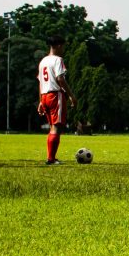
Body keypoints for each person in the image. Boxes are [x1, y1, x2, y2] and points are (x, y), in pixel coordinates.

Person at [38, 36, 76, 165]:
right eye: (63, 46)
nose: (63, 49)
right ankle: (51, 159)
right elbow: (60, 79)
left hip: (45, 95)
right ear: (59, 45)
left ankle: (51, 157)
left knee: (52, 127)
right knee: (56, 127)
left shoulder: (43, 61)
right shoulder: (58, 60)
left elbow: (40, 82)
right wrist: (71, 95)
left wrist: (40, 101)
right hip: (55, 95)